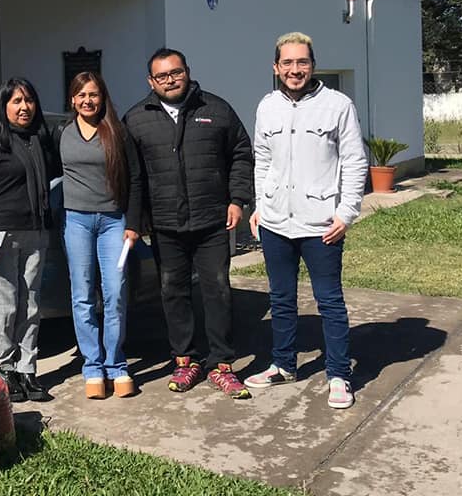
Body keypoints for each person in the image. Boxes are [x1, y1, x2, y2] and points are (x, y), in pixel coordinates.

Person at [124, 48, 254, 399]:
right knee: (173, 293)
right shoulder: (136, 119)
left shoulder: (216, 109)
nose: (170, 80)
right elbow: (132, 176)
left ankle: (222, 365)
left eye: (175, 73)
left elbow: (242, 153)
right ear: (151, 81)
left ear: (187, 72)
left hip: (212, 220)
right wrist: (138, 221)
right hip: (166, 225)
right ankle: (186, 361)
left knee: (217, 290)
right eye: (162, 76)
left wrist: (237, 200)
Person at [246, 32, 367, 409]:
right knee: (281, 299)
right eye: (288, 63)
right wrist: (260, 207)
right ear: (276, 67)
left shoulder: (337, 105)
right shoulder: (267, 106)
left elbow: (355, 160)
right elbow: (262, 160)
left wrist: (346, 213)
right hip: (276, 222)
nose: (295, 70)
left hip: (321, 225)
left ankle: (338, 375)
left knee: (329, 301)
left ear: (313, 65)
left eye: (302, 62)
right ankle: (283, 364)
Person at [0, 77, 60, 403]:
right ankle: (6, 368)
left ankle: (28, 370)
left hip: (36, 232)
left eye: (29, 101)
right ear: (4, 105)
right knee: (5, 306)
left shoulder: (38, 139)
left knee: (31, 306)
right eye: (16, 101)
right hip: (3, 236)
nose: (24, 108)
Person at [58, 72, 143, 399]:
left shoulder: (117, 133)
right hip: (76, 221)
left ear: (102, 96)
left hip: (113, 222)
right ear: (72, 100)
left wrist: (133, 224)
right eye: (81, 95)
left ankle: (116, 364)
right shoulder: (61, 133)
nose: (88, 101)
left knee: (115, 293)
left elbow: (136, 179)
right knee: (82, 296)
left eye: (93, 95)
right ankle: (92, 366)